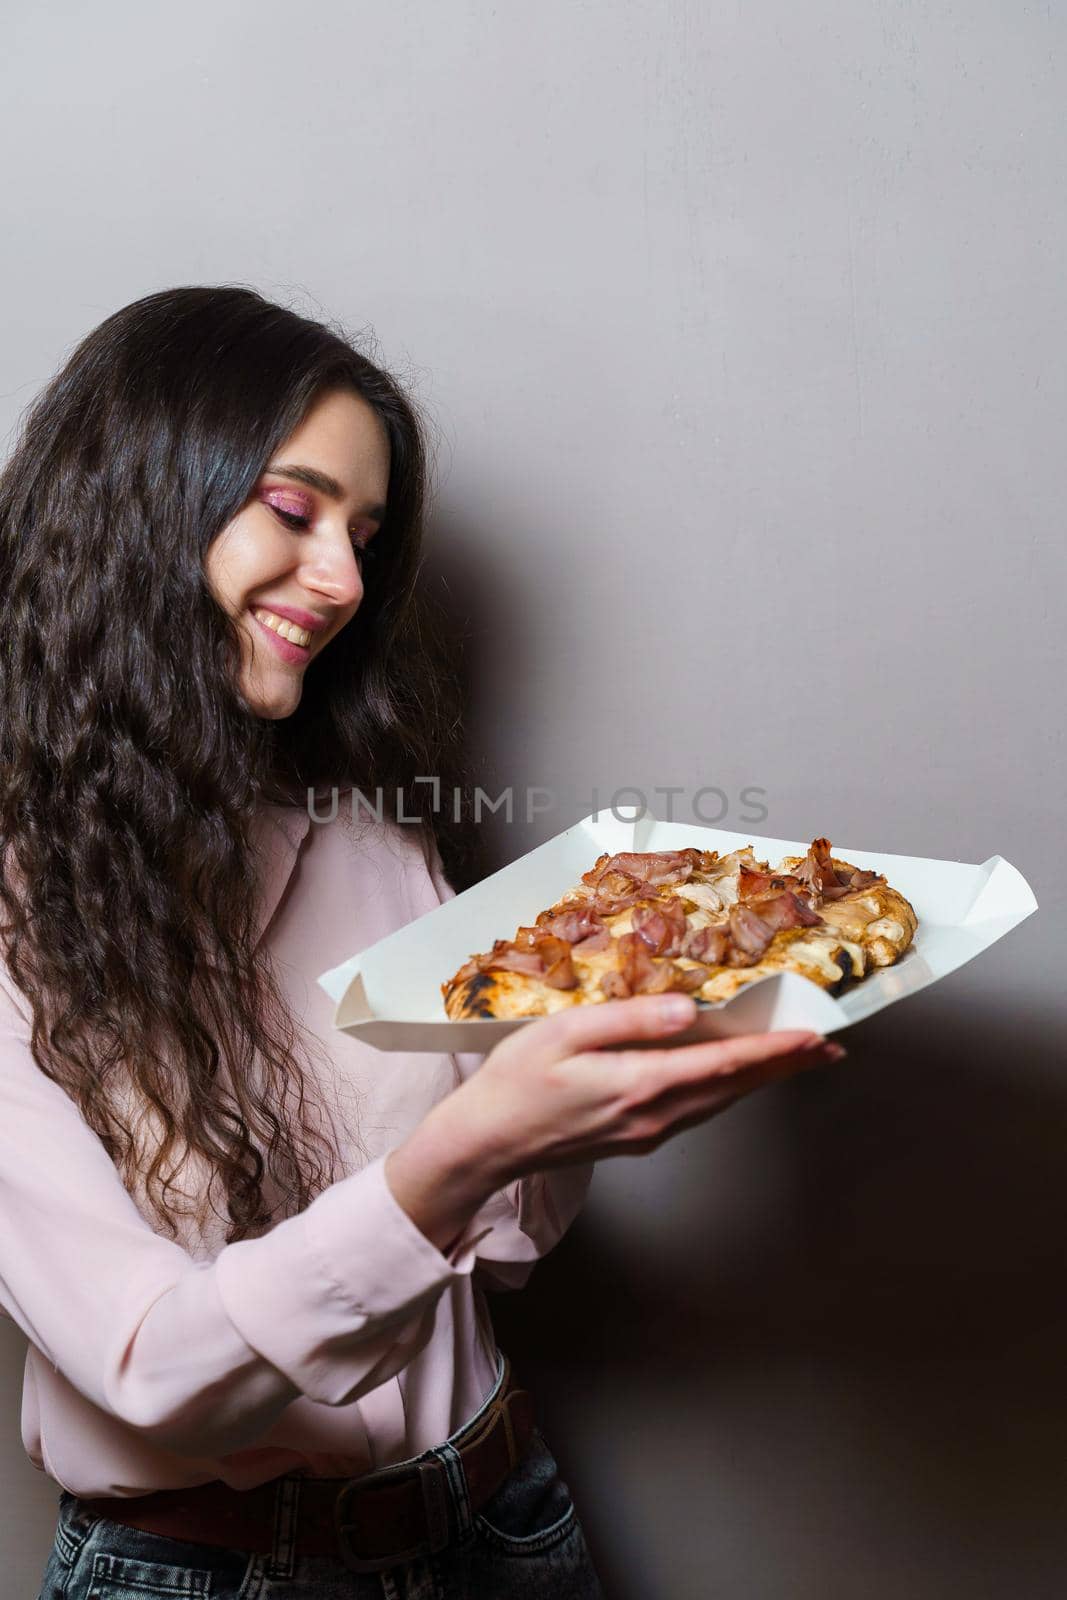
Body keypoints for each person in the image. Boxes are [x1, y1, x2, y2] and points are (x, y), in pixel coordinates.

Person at [0, 286, 843, 1599]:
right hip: (200, 1573)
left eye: (365, 533)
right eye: (293, 509)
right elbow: (151, 1372)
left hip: (503, 1524)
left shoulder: (367, 839)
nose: (341, 579)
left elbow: (505, 1242)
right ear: (139, 506)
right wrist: (473, 1145)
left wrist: (580, 1099)